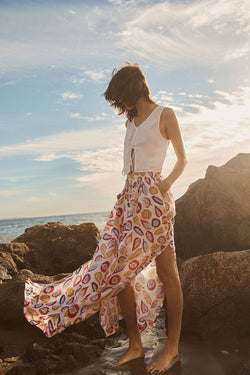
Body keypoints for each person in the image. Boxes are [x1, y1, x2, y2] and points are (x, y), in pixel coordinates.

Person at [23, 61, 187, 374]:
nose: (121, 103)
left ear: (136, 87)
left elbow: (182, 159)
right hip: (128, 200)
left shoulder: (165, 114)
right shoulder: (131, 122)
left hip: (154, 202)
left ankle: (173, 349)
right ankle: (135, 345)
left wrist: (163, 187)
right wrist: (131, 195)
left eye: (122, 95)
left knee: (168, 272)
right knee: (114, 270)